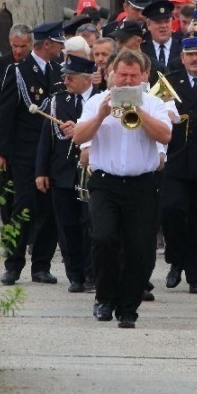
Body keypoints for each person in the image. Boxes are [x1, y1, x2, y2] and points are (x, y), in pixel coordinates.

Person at [73, 49, 172, 329]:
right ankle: (104, 298)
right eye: (122, 75)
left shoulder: (153, 103)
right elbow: (79, 137)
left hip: (142, 184)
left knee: (139, 249)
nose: (127, 80)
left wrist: (138, 111)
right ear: (110, 75)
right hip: (106, 182)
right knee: (104, 238)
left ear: (143, 77)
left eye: (133, 75)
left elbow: (165, 135)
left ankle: (128, 308)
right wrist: (102, 114)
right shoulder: (95, 103)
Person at [0, 21, 66, 286]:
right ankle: (13, 264)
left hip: (52, 152)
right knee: (23, 206)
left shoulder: (59, 71)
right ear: (46, 44)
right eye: (58, 43)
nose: (61, 48)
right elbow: (6, 112)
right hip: (25, 152)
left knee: (49, 209)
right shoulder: (19, 71)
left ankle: (41, 265)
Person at [160, 37, 197, 294]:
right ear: (182, 57)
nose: (195, 59)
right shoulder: (169, 83)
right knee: (172, 211)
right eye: (190, 54)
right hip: (175, 161)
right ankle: (176, 260)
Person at [35, 55, 100, 293]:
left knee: (90, 224)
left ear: (85, 79)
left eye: (70, 77)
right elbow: (46, 139)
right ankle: (75, 275)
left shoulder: (100, 99)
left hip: (92, 173)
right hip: (62, 172)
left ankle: (92, 273)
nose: (65, 80)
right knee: (67, 226)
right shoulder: (57, 101)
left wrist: (81, 130)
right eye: (64, 76)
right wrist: (41, 171)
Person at [141, 1, 183, 69]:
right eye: (158, 22)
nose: (163, 26)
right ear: (148, 25)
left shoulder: (182, 47)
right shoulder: (142, 50)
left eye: (166, 22)